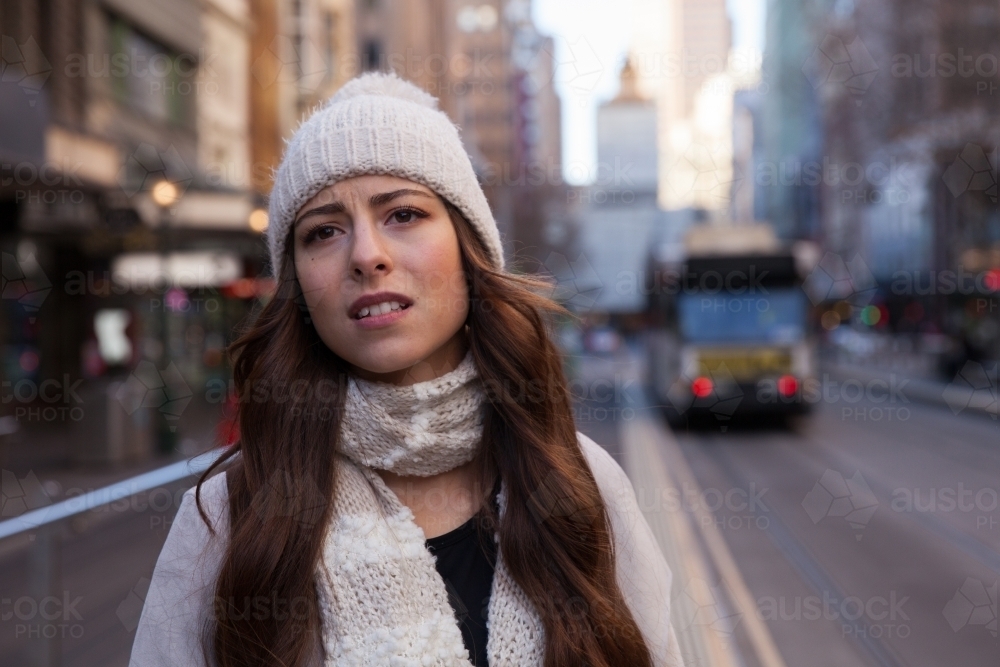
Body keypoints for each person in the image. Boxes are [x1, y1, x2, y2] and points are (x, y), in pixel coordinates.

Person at [128, 72, 684, 667]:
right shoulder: (229, 518)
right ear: (299, 286)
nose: (367, 254)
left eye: (403, 214)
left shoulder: (581, 482)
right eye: (324, 231)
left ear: (470, 251)